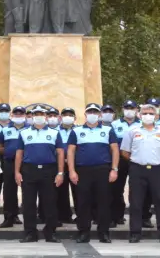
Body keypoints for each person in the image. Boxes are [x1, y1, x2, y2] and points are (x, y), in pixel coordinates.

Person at [120, 103, 160, 243]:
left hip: (158, 170)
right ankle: (135, 233)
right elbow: (124, 151)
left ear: (156, 116)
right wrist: (137, 160)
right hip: (138, 169)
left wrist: (158, 161)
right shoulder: (132, 131)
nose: (148, 116)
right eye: (145, 113)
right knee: (136, 202)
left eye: (151, 113)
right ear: (139, 115)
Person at [68, 103, 118, 243]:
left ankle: (104, 232)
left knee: (104, 202)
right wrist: (72, 171)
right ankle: (84, 232)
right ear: (85, 115)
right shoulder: (76, 131)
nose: (92, 114)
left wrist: (114, 169)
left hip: (103, 170)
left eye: (95, 112)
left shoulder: (108, 130)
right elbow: (71, 151)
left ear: (100, 115)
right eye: (89, 112)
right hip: (83, 170)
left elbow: (114, 150)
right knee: (83, 202)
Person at [16, 106, 64, 242]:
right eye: (36, 114)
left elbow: (60, 153)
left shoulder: (54, 133)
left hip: (49, 171)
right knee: (28, 203)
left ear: (46, 116)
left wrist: (60, 172)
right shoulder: (24, 133)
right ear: (31, 116)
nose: (39, 116)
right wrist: (17, 172)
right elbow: (19, 153)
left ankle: (50, 232)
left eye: (41, 113)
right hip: (29, 170)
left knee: (50, 203)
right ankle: (30, 233)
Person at [110, 100, 140, 226]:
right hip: (120, 160)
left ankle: (140, 218)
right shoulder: (114, 124)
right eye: (127, 108)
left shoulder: (142, 124)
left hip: (136, 160)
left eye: (132, 108)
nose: (129, 110)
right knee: (116, 189)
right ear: (122, 109)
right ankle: (117, 216)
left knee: (137, 190)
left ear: (136, 110)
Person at [0, 106, 27, 227]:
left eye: (21, 114)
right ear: (12, 115)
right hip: (9, 162)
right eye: (16, 114)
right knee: (9, 191)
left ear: (24, 115)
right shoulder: (5, 130)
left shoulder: (29, 129)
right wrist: (8, 151)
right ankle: (10, 217)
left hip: (26, 163)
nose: (18, 116)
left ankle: (27, 217)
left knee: (27, 191)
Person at [56, 107, 77, 224]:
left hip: (75, 165)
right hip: (60, 165)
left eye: (70, 115)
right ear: (60, 117)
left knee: (78, 191)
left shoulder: (79, 130)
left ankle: (81, 216)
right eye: (65, 115)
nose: (67, 117)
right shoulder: (55, 130)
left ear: (75, 118)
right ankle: (63, 216)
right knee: (60, 192)